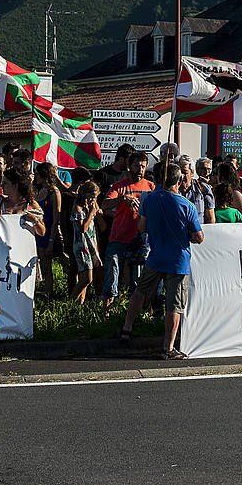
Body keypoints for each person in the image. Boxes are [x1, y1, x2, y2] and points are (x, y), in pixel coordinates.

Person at [119, 160, 204, 359]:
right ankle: (168, 346)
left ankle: (126, 328)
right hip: (178, 260)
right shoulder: (187, 205)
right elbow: (199, 237)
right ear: (179, 180)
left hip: (156, 256)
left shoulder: (149, 199)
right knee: (174, 304)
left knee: (141, 291)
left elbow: (141, 227)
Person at [102, 152, 156, 308]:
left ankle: (138, 312)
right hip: (118, 237)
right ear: (129, 167)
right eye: (136, 166)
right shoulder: (120, 185)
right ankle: (107, 312)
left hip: (140, 240)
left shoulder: (150, 186)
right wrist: (123, 199)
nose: (140, 169)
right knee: (111, 276)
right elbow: (105, 204)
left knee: (138, 280)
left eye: (143, 167)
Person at [34, 162, 65, 299]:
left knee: (50, 264)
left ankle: (49, 293)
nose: (35, 176)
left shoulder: (54, 192)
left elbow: (56, 218)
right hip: (39, 231)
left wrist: (51, 241)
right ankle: (46, 290)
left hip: (50, 233)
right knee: (44, 265)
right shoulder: (40, 190)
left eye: (38, 174)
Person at [69, 181, 103, 304]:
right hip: (81, 245)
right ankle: (70, 302)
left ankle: (80, 303)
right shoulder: (78, 208)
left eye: (95, 197)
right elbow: (82, 228)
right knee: (86, 278)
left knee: (89, 276)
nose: (93, 200)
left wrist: (95, 211)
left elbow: (102, 225)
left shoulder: (90, 207)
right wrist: (91, 214)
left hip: (91, 243)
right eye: (91, 196)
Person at [0, 168, 47, 238]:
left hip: (22, 246)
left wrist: (34, 220)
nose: (2, 186)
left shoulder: (31, 204)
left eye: (5, 183)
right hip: (2, 246)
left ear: (15, 185)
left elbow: (42, 232)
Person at [182, 158, 216, 223]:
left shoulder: (204, 188)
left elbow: (210, 218)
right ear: (197, 170)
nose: (206, 172)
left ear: (192, 173)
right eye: (203, 169)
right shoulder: (172, 190)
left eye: (209, 169)